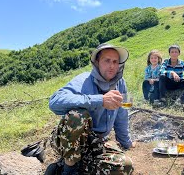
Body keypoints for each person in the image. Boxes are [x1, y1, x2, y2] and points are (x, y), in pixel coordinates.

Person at [48, 43, 135, 175]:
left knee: (125, 166)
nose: (111, 66)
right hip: (70, 140)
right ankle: (69, 167)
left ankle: (71, 166)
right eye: (107, 61)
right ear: (97, 62)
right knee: (77, 115)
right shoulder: (83, 80)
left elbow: (121, 115)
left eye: (115, 62)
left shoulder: (120, 83)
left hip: (96, 142)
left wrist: (126, 142)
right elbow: (54, 102)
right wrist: (99, 100)